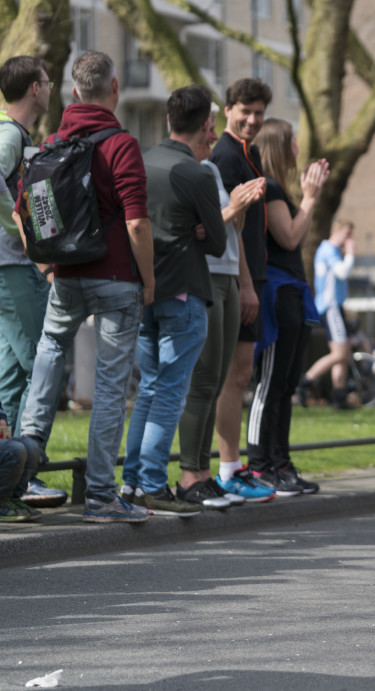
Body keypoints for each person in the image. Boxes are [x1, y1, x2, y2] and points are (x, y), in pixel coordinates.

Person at [14, 51, 153, 524]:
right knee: (111, 386)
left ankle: (22, 466)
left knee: (49, 356)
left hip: (66, 279)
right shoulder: (121, 144)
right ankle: (99, 497)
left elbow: (24, 212)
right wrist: (148, 280)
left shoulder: (50, 144)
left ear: (74, 93)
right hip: (116, 280)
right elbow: (136, 223)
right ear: (114, 90)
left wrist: (48, 266)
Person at [120, 85, 228, 516]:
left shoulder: (141, 163)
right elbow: (218, 241)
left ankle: (131, 482)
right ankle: (150, 483)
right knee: (170, 392)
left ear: (168, 121)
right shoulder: (198, 174)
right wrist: (200, 228)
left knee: (147, 389)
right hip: (184, 292)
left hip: (144, 290)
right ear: (206, 125)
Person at [176, 104, 272, 506]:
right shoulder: (193, 170)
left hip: (230, 277)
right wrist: (234, 207)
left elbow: (228, 230)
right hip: (206, 278)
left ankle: (205, 472)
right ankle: (192, 474)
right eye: (209, 127)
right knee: (204, 380)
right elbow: (202, 228)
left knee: (218, 378)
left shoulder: (211, 169)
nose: (213, 135)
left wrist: (245, 282)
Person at [246, 118, 328, 494]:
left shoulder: (283, 190)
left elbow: (299, 234)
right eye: (293, 141)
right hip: (277, 294)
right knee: (271, 383)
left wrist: (306, 201)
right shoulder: (270, 188)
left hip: (293, 291)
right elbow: (290, 236)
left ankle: (281, 461)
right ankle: (260, 464)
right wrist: (310, 198)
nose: (298, 148)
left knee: (287, 383)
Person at [0, 56, 65, 509]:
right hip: (12, 268)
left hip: (11, 268)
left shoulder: (17, 135)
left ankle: (9, 468)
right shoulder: (8, 134)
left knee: (10, 372)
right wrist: (18, 227)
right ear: (34, 89)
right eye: (47, 81)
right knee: (40, 365)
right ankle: (25, 476)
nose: (50, 87)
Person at [209, 78, 274, 499]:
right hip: (237, 280)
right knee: (231, 376)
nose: (252, 120)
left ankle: (233, 467)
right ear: (227, 109)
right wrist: (246, 284)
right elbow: (230, 226)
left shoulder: (246, 155)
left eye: (258, 113)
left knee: (241, 373)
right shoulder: (227, 157)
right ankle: (228, 469)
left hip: (249, 279)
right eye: (244, 111)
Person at [300, 219, 356, 409]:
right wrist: (350, 253)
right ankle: (306, 381)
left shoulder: (329, 251)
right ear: (338, 231)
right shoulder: (329, 250)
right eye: (347, 234)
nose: (349, 239)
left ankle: (339, 396)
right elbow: (342, 272)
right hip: (330, 307)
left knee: (342, 353)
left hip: (334, 307)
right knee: (340, 353)